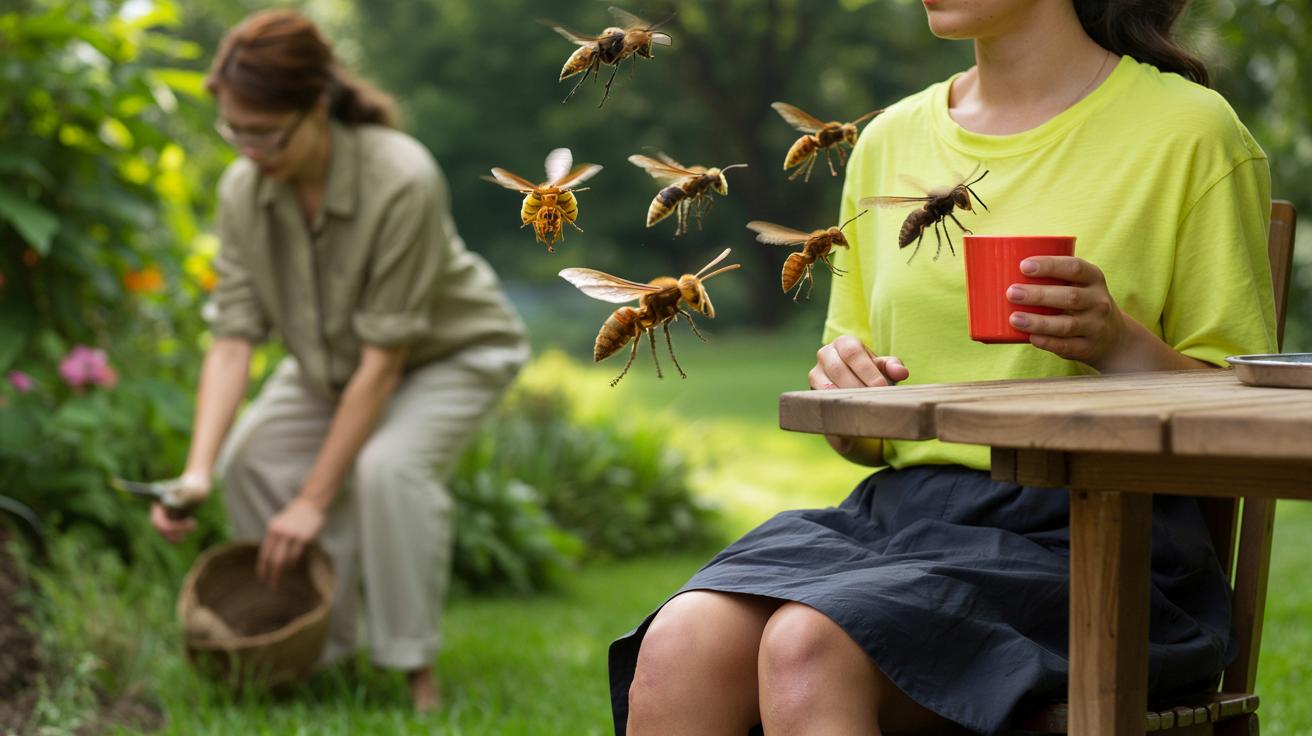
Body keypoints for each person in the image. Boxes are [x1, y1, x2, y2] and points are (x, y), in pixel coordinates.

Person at [610, 1, 1277, 734]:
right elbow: (862, 430)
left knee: (810, 645)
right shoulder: (888, 141)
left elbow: (1239, 420)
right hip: (907, 516)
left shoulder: (1192, 133)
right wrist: (846, 389)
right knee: (683, 643)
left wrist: (1115, 341)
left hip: (1103, 536)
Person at [149, 9, 529, 712]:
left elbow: (386, 361)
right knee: (250, 461)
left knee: (388, 468)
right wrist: (197, 472)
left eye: (264, 132)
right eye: (233, 130)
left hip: (450, 353)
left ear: (315, 105)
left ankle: (415, 675)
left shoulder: (401, 177)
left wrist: (313, 499)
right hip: (334, 365)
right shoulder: (244, 190)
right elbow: (233, 338)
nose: (248, 149)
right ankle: (321, 649)